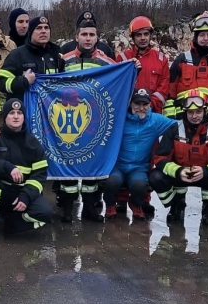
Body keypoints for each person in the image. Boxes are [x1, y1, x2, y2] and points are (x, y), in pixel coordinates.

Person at [58, 11, 118, 221]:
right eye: (84, 34)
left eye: (92, 34)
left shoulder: (107, 62)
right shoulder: (63, 60)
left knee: (92, 165)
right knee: (69, 166)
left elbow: (119, 83)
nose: (88, 38)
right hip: (68, 121)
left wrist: (133, 69)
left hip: (94, 121)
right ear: (76, 37)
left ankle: (91, 209)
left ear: (97, 37)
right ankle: (66, 209)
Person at [0, 97, 55, 245]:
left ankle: (12, 224)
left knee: (46, 213)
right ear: (5, 117)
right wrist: (6, 167)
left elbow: (39, 176)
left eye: (19, 113)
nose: (16, 116)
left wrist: (26, 196)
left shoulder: (33, 143)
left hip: (20, 193)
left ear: (24, 117)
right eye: (11, 113)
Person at [150, 94, 208, 227]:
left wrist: (207, 171)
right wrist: (179, 171)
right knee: (155, 176)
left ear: (205, 111)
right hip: (182, 175)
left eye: (198, 111)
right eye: (190, 112)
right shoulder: (174, 129)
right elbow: (160, 157)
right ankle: (176, 204)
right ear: (184, 112)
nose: (194, 116)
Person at [101, 88, 176, 220]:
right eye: (137, 104)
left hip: (139, 167)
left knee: (139, 185)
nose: (141, 108)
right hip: (118, 165)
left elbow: (178, 126)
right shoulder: (119, 119)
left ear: (149, 105)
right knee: (111, 182)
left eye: (145, 104)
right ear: (130, 104)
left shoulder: (156, 120)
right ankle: (110, 204)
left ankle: (136, 204)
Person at [0, 14, 63, 99]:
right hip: (25, 109)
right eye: (38, 28)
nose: (43, 31)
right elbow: (0, 83)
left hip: (49, 109)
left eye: (46, 28)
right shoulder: (17, 55)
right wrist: (23, 81)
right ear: (30, 32)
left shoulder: (57, 56)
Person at [122, 16, 170, 114]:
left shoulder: (161, 59)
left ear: (150, 35)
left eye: (146, 34)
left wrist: (148, 105)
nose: (143, 38)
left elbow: (163, 88)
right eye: (139, 35)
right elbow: (118, 88)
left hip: (152, 114)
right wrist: (133, 106)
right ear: (133, 37)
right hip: (128, 114)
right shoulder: (123, 58)